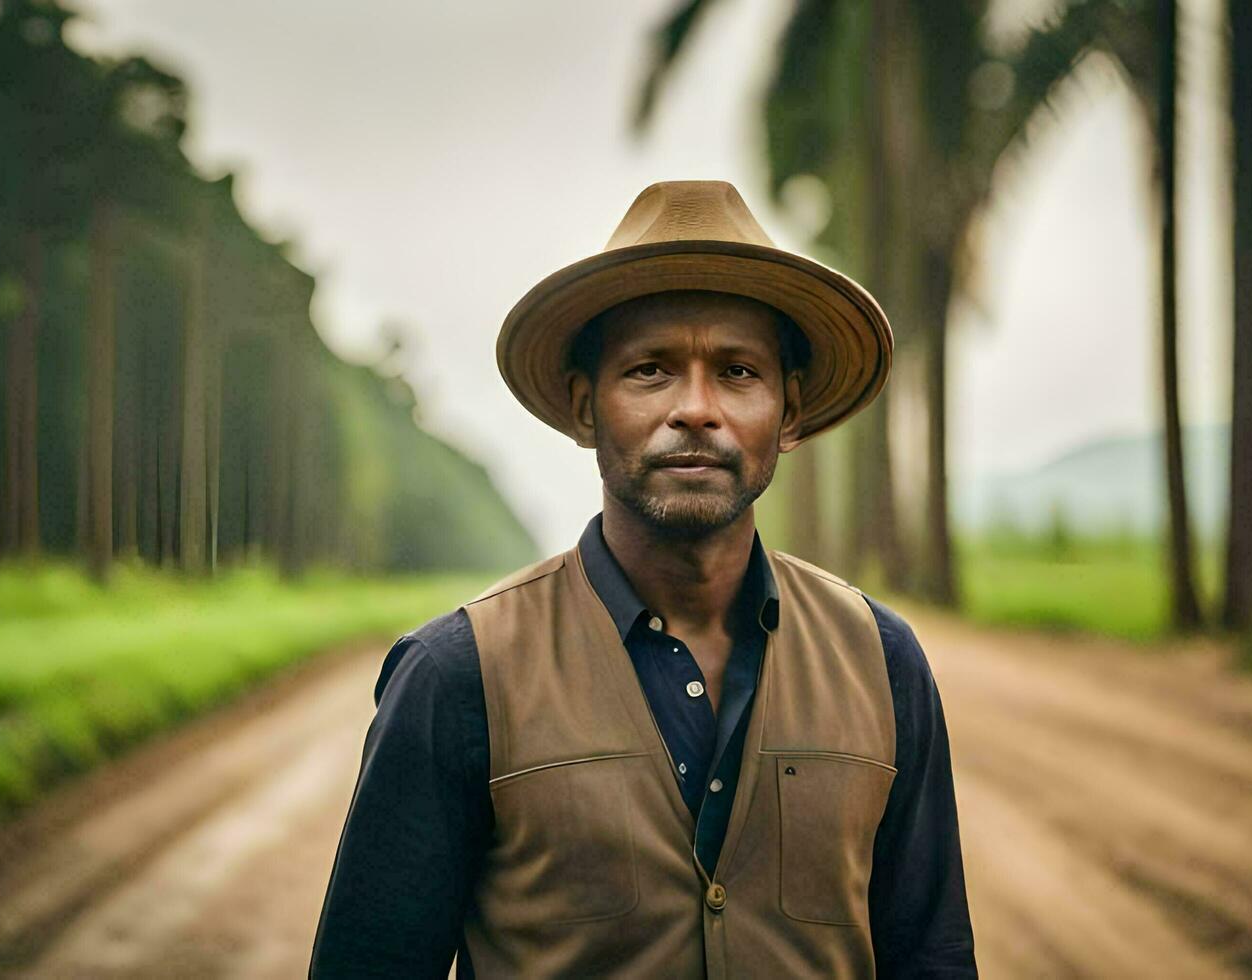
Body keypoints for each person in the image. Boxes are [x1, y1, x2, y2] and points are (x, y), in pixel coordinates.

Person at [309, 180, 976, 978]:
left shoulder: (882, 661)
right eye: (652, 370)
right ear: (586, 407)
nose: (695, 408)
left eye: (736, 372)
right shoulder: (457, 675)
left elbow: (933, 959)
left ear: (789, 413)